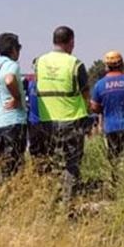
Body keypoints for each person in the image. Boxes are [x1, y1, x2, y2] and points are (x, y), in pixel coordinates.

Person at [33, 25, 90, 203]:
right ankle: (67, 204)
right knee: (71, 164)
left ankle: (49, 201)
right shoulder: (75, 64)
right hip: (71, 119)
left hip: (46, 120)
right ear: (71, 42)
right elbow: (85, 92)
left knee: (51, 162)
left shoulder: (38, 62)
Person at [90, 51, 124, 174]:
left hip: (111, 128)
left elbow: (94, 107)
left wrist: (103, 109)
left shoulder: (99, 85)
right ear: (122, 64)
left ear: (106, 66)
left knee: (114, 160)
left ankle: (115, 184)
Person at [0, 32, 27, 178]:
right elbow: (9, 80)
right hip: (13, 120)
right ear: (14, 49)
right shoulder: (11, 65)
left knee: (4, 161)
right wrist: (17, 97)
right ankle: (15, 194)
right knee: (16, 163)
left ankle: (6, 192)